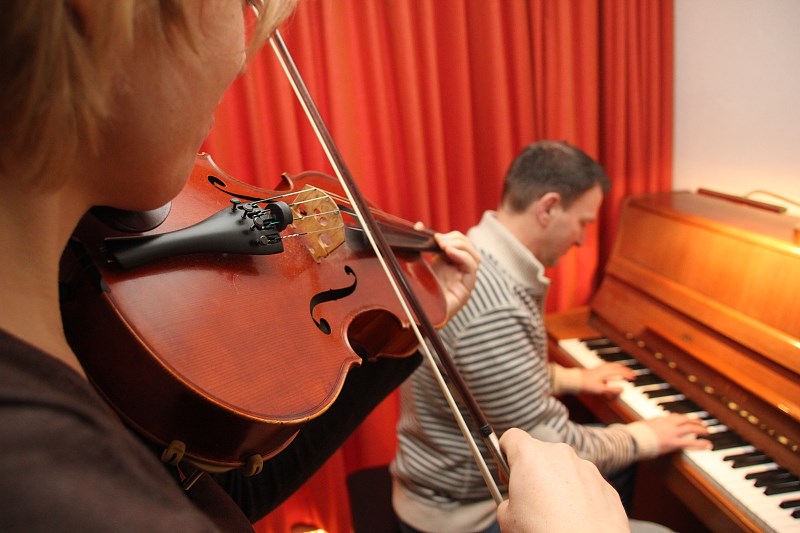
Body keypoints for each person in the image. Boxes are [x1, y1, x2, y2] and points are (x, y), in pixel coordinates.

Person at [0, 3, 632, 532]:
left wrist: (406, 319)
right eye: (238, 5)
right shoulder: (57, 492)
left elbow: (222, 493)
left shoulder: (62, 316)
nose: (243, 48)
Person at [391, 140, 712, 533]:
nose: (581, 239)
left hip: (439, 476)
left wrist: (572, 378)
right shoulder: (496, 308)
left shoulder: (478, 255)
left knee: (617, 467)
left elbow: (488, 376)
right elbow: (550, 446)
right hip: (464, 511)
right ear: (548, 208)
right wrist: (644, 436)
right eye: (583, 222)